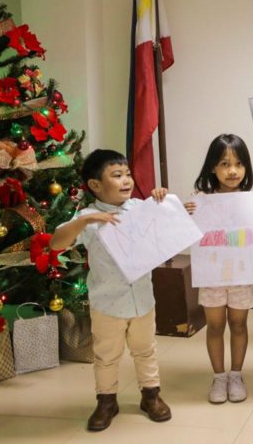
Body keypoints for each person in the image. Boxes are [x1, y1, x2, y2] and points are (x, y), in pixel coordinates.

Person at [50, 150, 171, 431]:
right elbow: (56, 244)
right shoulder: (88, 217)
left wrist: (162, 200)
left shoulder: (140, 208)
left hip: (142, 299)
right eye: (117, 175)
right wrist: (83, 223)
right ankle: (106, 401)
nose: (126, 180)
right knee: (106, 354)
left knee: (145, 349)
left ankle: (150, 395)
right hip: (107, 303)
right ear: (95, 185)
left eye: (127, 174)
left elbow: (168, 225)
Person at [184, 134, 253, 404]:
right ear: (212, 167)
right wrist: (184, 217)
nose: (232, 171)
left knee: (238, 323)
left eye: (238, 164)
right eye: (224, 164)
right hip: (211, 276)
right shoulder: (199, 202)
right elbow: (187, 237)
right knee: (214, 325)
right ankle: (219, 376)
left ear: (246, 167)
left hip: (241, 275)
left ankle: (236, 374)